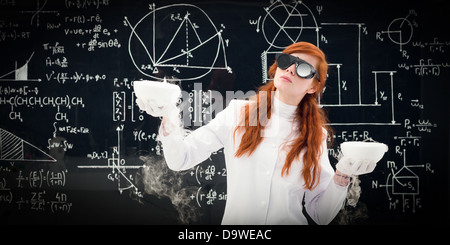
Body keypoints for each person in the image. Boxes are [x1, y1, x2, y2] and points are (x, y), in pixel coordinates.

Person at [136, 42, 377, 225]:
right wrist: (168, 113)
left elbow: (320, 215)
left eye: (303, 68)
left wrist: (343, 174)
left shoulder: (316, 135)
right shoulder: (239, 113)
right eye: (287, 61)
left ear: (314, 86)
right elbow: (181, 159)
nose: (291, 70)